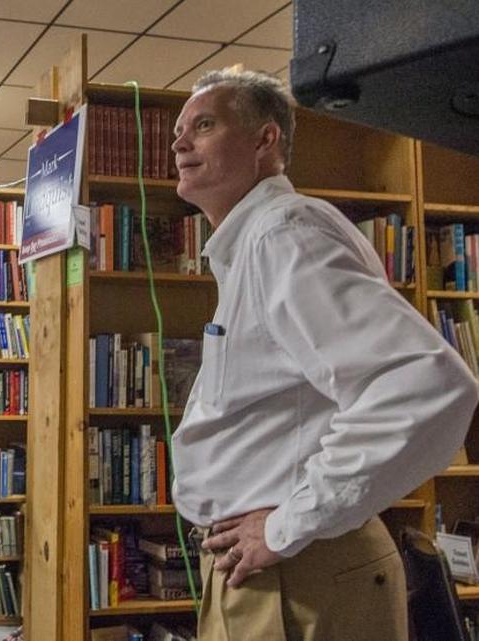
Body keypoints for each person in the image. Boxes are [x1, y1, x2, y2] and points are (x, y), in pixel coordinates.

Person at [169, 69, 479, 640]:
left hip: (301, 574)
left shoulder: (282, 236)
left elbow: (425, 383)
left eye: (204, 125)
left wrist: (290, 523)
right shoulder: (253, 245)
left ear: (267, 140)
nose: (179, 143)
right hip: (274, 572)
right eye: (179, 130)